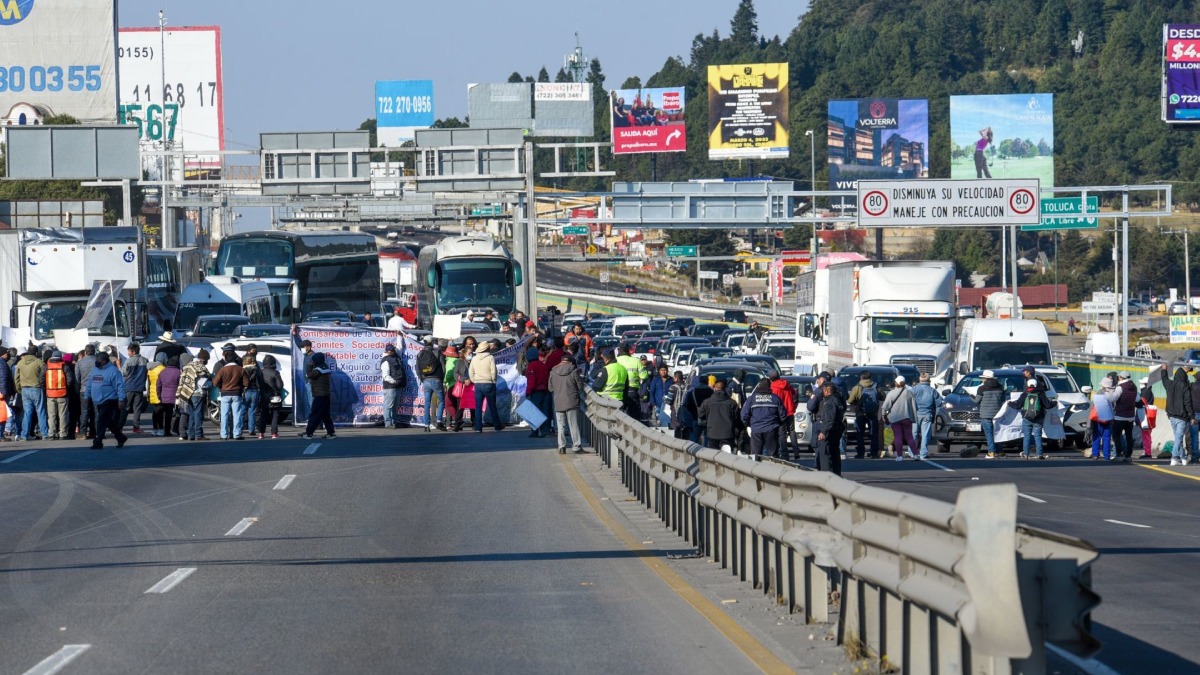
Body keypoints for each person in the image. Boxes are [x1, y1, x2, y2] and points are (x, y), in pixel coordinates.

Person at [83, 350, 127, 450]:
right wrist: (87, 396)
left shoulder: (113, 371)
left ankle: (98, 442)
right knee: (108, 421)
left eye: (98, 360)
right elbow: (90, 383)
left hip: (109, 400)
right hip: (98, 400)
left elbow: (120, 386)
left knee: (101, 421)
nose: (96, 362)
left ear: (104, 361)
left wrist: (121, 399)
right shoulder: (95, 369)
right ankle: (121, 437)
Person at [548, 348, 585, 454]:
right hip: (572, 401)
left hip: (558, 402)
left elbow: (550, 388)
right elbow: (580, 386)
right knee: (573, 424)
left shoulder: (553, 372)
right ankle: (576, 446)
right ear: (570, 362)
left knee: (560, 425)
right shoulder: (574, 371)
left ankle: (561, 447)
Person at [741, 378, 787, 458]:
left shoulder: (752, 399)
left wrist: (749, 424)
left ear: (758, 386)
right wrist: (777, 424)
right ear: (769, 386)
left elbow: (744, 415)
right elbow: (783, 415)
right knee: (772, 457)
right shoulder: (775, 398)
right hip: (771, 430)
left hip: (756, 430)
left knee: (755, 456)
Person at [14, 345, 47, 441]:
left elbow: (16, 378)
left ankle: (24, 435)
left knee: (27, 413)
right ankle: (44, 434)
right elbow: (44, 374)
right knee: (41, 411)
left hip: (24, 389)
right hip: (36, 388)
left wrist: (19, 389)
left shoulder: (20, 363)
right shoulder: (39, 362)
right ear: (36, 353)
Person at [212, 347, 246, 440]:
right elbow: (246, 382)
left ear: (226, 359)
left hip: (225, 394)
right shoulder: (240, 369)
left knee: (224, 414)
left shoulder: (222, 370)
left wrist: (221, 386)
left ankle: (223, 434)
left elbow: (214, 382)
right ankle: (237, 434)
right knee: (237, 414)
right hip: (237, 394)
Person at [1014, 378, 1053, 459]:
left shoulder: (1025, 393)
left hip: (1027, 418)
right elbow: (1048, 406)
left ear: (1027, 385)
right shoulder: (1040, 393)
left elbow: (1017, 406)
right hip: (1038, 418)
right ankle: (1039, 454)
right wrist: (1055, 403)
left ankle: (1026, 454)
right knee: (1038, 436)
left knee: (1027, 436)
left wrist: (1009, 403)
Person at [882, 375, 919, 461]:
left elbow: (885, 407)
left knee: (898, 437)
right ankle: (916, 454)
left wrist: (884, 415)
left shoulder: (891, 393)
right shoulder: (909, 393)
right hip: (907, 418)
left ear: (896, 383)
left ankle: (899, 456)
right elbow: (915, 406)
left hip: (895, 418)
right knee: (909, 437)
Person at [300, 352, 336, 439]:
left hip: (319, 395)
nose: (312, 361)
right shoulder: (325, 367)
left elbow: (309, 375)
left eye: (313, 360)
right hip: (325, 395)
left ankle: (309, 433)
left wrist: (309, 366)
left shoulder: (318, 370)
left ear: (316, 360)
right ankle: (331, 433)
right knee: (325, 415)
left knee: (314, 414)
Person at [177, 349, 211, 441]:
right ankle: (198, 434)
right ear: (204, 359)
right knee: (198, 414)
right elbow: (203, 383)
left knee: (191, 414)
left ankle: (191, 435)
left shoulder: (188, 366)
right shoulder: (200, 366)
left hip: (187, 393)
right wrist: (211, 383)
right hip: (198, 393)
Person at [814, 381, 846, 475]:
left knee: (825, 454)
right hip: (837, 430)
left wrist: (823, 432)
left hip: (829, 431)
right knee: (835, 453)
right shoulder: (838, 400)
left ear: (827, 391)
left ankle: (826, 476)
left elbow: (829, 419)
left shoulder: (829, 402)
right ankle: (836, 475)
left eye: (823, 390)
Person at [846, 371, 881, 458]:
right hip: (873, 413)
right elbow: (882, 396)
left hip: (860, 413)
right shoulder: (876, 386)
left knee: (860, 434)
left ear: (861, 377)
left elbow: (850, 401)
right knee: (873, 434)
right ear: (870, 377)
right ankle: (874, 453)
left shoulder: (857, 387)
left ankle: (860, 453)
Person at [699, 379, 742, 450]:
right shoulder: (732, 403)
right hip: (728, 434)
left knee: (712, 456)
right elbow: (737, 418)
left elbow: (700, 414)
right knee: (726, 457)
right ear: (725, 389)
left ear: (715, 388)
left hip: (712, 433)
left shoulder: (707, 402)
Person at [469, 341, 502, 432]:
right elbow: (493, 371)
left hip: (478, 384)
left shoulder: (474, 358)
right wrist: (493, 381)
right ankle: (497, 426)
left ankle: (478, 427)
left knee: (478, 407)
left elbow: (471, 372)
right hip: (488, 383)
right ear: (487, 348)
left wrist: (474, 380)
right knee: (492, 406)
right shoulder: (490, 357)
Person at [909, 373, 943, 459]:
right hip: (927, 414)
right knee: (925, 435)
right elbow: (939, 403)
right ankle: (923, 453)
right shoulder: (932, 391)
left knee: (914, 434)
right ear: (929, 381)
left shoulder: (913, 389)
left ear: (919, 380)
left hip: (915, 414)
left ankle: (912, 452)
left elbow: (908, 401)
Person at [417, 336, 446, 432]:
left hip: (426, 380)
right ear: (432, 343)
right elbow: (443, 368)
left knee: (427, 402)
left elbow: (417, 369)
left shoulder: (420, 354)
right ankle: (438, 421)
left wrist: (422, 379)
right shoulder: (438, 352)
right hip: (437, 379)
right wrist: (441, 379)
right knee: (441, 400)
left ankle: (426, 425)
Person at [1108, 370, 1138, 463]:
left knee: (1116, 435)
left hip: (1120, 416)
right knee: (1129, 437)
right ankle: (1128, 456)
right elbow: (1137, 399)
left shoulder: (1120, 387)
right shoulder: (1134, 387)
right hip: (1131, 417)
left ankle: (1118, 454)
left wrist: (1107, 393)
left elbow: (1113, 398)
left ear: (1121, 378)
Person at [975, 370, 1006, 458]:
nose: (982, 380)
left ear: (986, 378)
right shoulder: (1000, 387)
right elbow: (1003, 399)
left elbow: (977, 401)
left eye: (983, 378)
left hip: (986, 414)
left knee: (989, 434)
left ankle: (991, 452)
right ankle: (1001, 452)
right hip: (997, 414)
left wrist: (971, 396)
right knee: (997, 433)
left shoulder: (982, 388)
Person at [118, 344, 149, 433]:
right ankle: (136, 427)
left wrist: (119, 365)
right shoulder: (145, 360)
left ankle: (120, 427)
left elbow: (123, 373)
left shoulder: (128, 361)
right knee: (137, 409)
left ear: (133, 352)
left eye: (129, 351)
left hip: (129, 387)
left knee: (126, 408)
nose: (128, 353)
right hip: (139, 388)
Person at [768, 371, 799, 460]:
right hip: (789, 410)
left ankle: (784, 453)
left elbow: (773, 400)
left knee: (782, 433)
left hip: (780, 413)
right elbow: (794, 393)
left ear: (770, 379)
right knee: (792, 431)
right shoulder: (786, 384)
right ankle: (796, 451)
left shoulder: (773, 387)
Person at [1166, 367, 1193, 466]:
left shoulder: (1170, 384)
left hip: (1172, 416)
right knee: (1178, 438)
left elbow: (1164, 379)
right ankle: (1174, 457)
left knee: (1178, 437)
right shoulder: (1185, 386)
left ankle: (1183, 457)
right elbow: (1187, 402)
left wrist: (1164, 371)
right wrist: (1192, 415)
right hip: (1182, 417)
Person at [44, 351, 73, 440]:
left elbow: (41, 378)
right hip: (62, 394)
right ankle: (62, 433)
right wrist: (66, 388)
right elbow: (70, 380)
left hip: (50, 394)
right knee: (63, 414)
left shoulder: (46, 366)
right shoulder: (64, 366)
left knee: (51, 415)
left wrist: (46, 388)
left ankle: (51, 433)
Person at [525, 346, 551, 438]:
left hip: (536, 391)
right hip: (545, 390)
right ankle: (545, 430)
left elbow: (531, 381)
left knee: (535, 412)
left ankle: (534, 431)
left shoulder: (531, 366)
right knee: (544, 412)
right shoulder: (542, 365)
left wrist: (528, 392)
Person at [259, 355, 285, 439]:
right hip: (274, 396)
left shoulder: (260, 372)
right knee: (275, 414)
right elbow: (280, 385)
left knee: (263, 414)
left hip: (262, 396)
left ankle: (261, 433)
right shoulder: (275, 372)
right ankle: (274, 433)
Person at [380, 344, 405, 429]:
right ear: (386, 351)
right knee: (388, 405)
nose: (390, 351)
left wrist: (399, 336)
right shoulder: (386, 361)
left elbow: (400, 348)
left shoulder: (396, 357)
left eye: (392, 350)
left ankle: (393, 422)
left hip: (397, 386)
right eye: (389, 350)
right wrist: (394, 381)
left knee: (395, 406)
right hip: (390, 386)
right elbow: (385, 375)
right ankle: (388, 423)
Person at [156, 356, 181, 440]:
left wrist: (159, 395)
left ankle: (164, 429)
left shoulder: (162, 372)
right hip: (175, 396)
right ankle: (172, 429)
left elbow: (158, 385)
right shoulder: (178, 372)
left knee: (165, 414)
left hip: (164, 396)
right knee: (174, 414)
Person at [75, 344, 97, 439]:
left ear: (85, 352)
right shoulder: (98, 361)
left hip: (84, 390)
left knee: (84, 412)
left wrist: (77, 390)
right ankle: (95, 432)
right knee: (96, 412)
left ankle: (83, 432)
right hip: (97, 389)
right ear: (94, 352)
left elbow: (77, 379)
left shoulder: (79, 363)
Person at [242, 354, 264, 439]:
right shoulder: (257, 371)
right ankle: (251, 430)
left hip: (246, 391)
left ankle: (239, 429)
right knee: (252, 412)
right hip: (255, 391)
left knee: (242, 412)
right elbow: (260, 382)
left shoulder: (242, 370)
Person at [147, 353, 167, 436]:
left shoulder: (150, 368)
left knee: (155, 412)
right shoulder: (163, 369)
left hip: (152, 392)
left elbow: (149, 382)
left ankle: (154, 428)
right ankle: (161, 429)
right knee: (160, 412)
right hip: (160, 392)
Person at [442, 345, 460, 431]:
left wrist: (444, 381)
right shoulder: (458, 360)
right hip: (458, 384)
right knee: (456, 404)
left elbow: (449, 374)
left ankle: (457, 420)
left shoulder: (450, 361)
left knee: (448, 404)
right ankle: (457, 421)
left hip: (451, 385)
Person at [0, 346, 13, 441]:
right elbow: (3, 378)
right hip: (2, 392)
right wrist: (4, 392)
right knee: (2, 414)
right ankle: (0, 434)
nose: (7, 354)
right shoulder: (2, 363)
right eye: (6, 353)